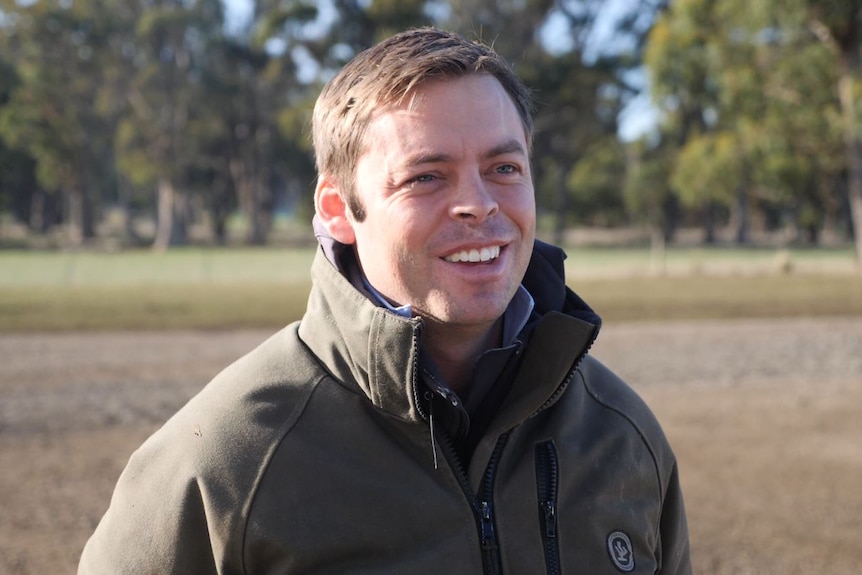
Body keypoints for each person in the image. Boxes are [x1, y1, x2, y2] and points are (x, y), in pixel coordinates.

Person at [79, 28, 691, 574]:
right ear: (338, 211)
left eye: (504, 167)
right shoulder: (224, 462)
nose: (479, 203)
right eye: (426, 176)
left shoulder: (621, 433)